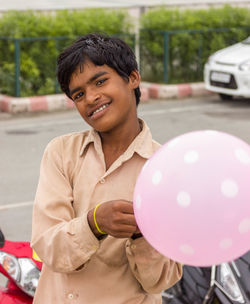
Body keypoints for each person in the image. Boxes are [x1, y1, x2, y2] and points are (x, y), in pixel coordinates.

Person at [31, 33, 182, 303]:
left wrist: (141, 234)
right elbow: (47, 246)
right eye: (78, 94)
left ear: (133, 78)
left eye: (100, 81)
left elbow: (161, 280)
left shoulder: (165, 168)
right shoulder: (61, 152)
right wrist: (94, 223)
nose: (91, 97)